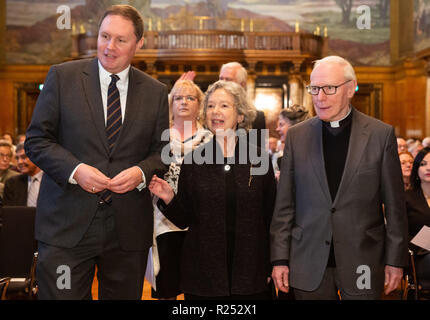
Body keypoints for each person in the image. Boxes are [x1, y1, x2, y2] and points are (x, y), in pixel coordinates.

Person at [24, 4, 169, 299]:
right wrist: (76, 171)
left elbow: (162, 153)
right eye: (104, 36)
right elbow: (37, 140)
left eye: (121, 40)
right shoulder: (62, 77)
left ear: (139, 43)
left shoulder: (155, 92)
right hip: (66, 227)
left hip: (126, 231)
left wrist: (141, 172)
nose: (109, 47)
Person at [270, 55, 408, 300]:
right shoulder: (296, 136)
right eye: (314, 89)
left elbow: (396, 208)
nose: (320, 97)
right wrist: (280, 258)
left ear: (350, 88)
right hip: (308, 260)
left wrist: (395, 261)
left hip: (363, 258)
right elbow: (284, 207)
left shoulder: (380, 135)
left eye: (329, 89)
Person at [149, 80, 276, 299]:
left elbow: (270, 217)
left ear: (240, 115)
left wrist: (272, 264)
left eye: (224, 106)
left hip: (251, 274)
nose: (215, 111)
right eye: (210, 106)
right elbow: (185, 219)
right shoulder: (193, 161)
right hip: (203, 276)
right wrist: (169, 197)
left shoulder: (258, 159)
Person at [150, 80, 212, 300]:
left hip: (199, 225)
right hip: (164, 223)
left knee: (199, 289)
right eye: (178, 97)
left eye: (190, 98)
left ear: (200, 105)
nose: (183, 102)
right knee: (167, 288)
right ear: (170, 104)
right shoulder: (158, 139)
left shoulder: (211, 140)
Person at [405, 147, 430, 286]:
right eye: (423, 164)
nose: (428, 168)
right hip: (418, 256)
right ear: (416, 167)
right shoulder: (407, 197)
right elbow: (400, 234)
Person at [274, 105, 309, 179]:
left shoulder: (309, 158)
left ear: (295, 127)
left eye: (281, 125)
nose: (277, 129)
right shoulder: (285, 158)